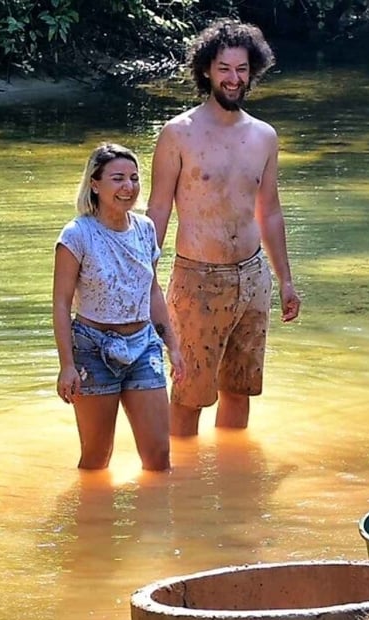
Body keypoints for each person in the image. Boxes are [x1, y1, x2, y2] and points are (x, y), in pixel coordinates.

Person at [147, 19, 301, 438]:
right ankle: (181, 488)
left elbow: (269, 212)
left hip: (253, 278)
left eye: (241, 69)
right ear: (206, 71)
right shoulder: (178, 134)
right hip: (197, 276)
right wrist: (144, 278)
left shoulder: (264, 136)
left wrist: (286, 280)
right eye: (224, 69)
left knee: (240, 390)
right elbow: (158, 209)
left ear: (253, 71)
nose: (233, 79)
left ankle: (234, 485)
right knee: (189, 393)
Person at [53, 142, 182, 471]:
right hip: (92, 349)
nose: (129, 187)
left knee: (159, 458)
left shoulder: (145, 229)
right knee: (97, 458)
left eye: (135, 178)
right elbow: (61, 303)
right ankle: (93, 521)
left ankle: (156, 522)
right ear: (94, 184)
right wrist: (67, 365)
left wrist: (173, 348)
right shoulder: (77, 234)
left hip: (143, 346)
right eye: (118, 178)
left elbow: (153, 291)